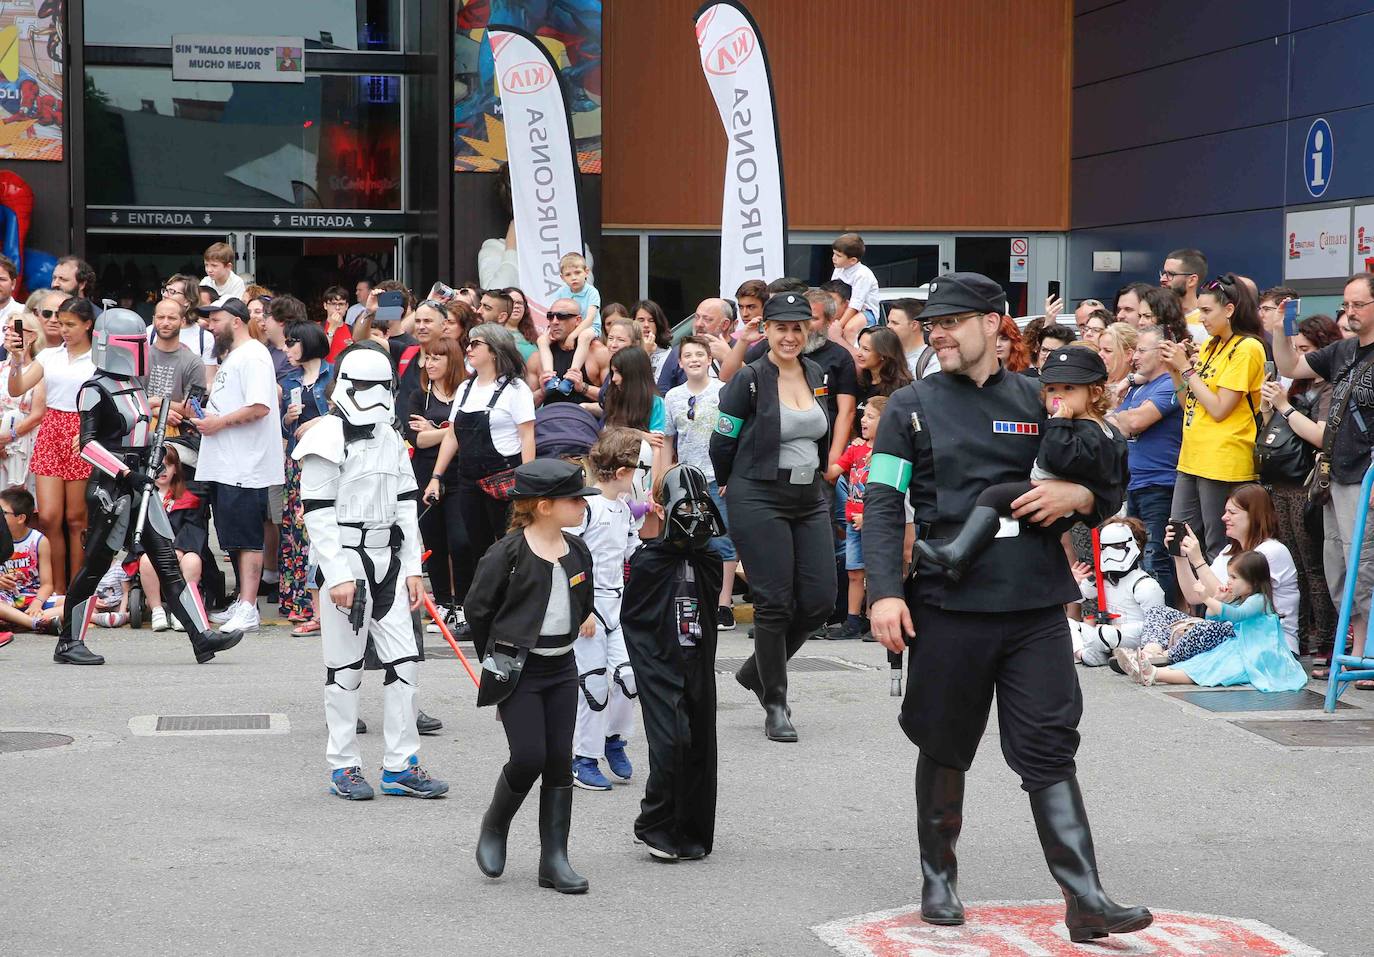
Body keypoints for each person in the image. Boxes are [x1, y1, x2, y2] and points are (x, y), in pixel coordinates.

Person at [864, 272, 1150, 943]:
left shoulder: (1043, 398)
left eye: (952, 320)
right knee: (943, 741)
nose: (938, 332)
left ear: (994, 322)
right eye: (931, 324)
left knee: (1050, 746)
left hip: (1032, 602)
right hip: (948, 602)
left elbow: (1107, 477)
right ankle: (938, 875)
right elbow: (882, 504)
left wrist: (1079, 501)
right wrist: (882, 590)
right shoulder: (909, 405)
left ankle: (1085, 898)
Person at [294, 343, 447, 801]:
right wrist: (338, 574)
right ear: (345, 385)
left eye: (382, 386)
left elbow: (405, 503)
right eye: (365, 385)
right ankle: (343, 764)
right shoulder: (324, 436)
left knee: (405, 665)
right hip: (347, 559)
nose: (374, 394)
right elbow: (317, 514)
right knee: (345, 669)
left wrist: (414, 566)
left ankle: (401, 765)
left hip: (391, 560)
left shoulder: (388, 435)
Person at [55, 309, 244, 666]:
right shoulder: (94, 390)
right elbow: (88, 445)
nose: (142, 349)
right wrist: (126, 473)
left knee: (166, 561)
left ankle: (201, 637)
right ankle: (68, 641)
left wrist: (146, 466)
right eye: (135, 344)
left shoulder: (134, 385)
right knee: (95, 564)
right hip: (112, 488)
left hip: (142, 481)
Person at [710, 292, 836, 743]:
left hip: (809, 495)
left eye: (798, 327)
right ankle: (776, 702)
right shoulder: (747, 379)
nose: (789, 335)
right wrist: (728, 481)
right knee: (775, 603)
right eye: (780, 327)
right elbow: (721, 439)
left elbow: (821, 432)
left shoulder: (817, 372)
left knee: (821, 599)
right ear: (766, 331)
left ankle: (755, 669)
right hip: (758, 494)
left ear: (808, 331)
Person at [467, 459, 597, 895]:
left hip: (562, 668)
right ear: (544, 506)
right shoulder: (506, 553)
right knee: (528, 756)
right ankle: (495, 824)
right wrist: (499, 656)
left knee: (560, 760)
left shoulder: (578, 550)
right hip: (518, 670)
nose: (582, 505)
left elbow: (584, 596)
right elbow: (478, 610)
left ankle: (554, 860)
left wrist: (585, 616)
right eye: (575, 499)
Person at [918, 347, 1127, 582]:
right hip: (1054, 510)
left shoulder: (1086, 429)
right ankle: (959, 564)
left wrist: (1059, 425)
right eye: (1051, 389)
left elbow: (1061, 459)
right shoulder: (1104, 429)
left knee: (993, 496)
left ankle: (958, 551)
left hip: (1048, 495)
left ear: (1095, 393)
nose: (1058, 395)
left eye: (1069, 388)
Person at [1268, 272, 1374, 677]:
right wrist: (1282, 329)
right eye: (1345, 305)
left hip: (1363, 476)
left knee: (1362, 563)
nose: (1349, 313)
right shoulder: (1344, 351)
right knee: (1338, 567)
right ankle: (1356, 651)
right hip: (1334, 476)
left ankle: (1363, 655)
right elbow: (1291, 363)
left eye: (1358, 305)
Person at [620, 464, 725, 862]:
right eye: (684, 508)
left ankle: (690, 826)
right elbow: (637, 618)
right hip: (659, 659)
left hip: (696, 657)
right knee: (672, 740)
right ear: (660, 508)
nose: (693, 517)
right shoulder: (649, 561)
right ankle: (656, 826)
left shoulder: (709, 559)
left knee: (698, 739)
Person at [192, 298, 286, 636]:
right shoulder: (233, 357)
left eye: (215, 319)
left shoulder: (254, 355)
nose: (210, 326)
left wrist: (219, 423)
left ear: (235, 321)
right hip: (226, 461)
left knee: (247, 538)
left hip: (246, 463)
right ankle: (243, 602)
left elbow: (260, 406)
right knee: (233, 535)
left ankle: (248, 606)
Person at [1160, 274, 1266, 562]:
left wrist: (1187, 369)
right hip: (1192, 456)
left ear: (1229, 310)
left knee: (1217, 545)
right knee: (1178, 540)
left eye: (1207, 311)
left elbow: (1220, 409)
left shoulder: (1248, 348)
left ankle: (1216, 606)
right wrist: (1175, 371)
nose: (1200, 318)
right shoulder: (1209, 346)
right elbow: (1189, 403)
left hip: (1223, 460)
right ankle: (1191, 606)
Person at [565, 429, 644, 791]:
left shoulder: (624, 509)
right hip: (590, 607)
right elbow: (568, 558)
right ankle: (583, 758)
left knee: (628, 678)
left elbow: (634, 553)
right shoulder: (590, 507)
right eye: (639, 467)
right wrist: (581, 609)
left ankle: (614, 739)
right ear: (625, 471)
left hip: (617, 604)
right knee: (594, 683)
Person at [1258, 313, 1339, 664]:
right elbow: (1276, 434)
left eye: (1306, 350)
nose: (1300, 358)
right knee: (1291, 565)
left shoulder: (1330, 388)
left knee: (1313, 564)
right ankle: (1298, 634)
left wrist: (1283, 406)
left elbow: (1319, 435)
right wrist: (1267, 408)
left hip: (1307, 485)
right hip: (1279, 483)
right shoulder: (1297, 386)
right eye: (1296, 350)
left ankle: (1326, 639)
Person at [1120, 550, 1307, 692]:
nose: (1229, 581)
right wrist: (1218, 599)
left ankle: (1154, 673)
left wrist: (1206, 598)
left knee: (1214, 669)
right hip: (1240, 646)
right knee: (1204, 664)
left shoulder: (1259, 600)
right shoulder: (1242, 597)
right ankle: (1151, 670)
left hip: (1256, 653)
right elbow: (1211, 618)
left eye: (1234, 577)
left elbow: (1237, 616)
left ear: (1253, 581)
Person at [425, 324, 537, 560]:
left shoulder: (516, 389)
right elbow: (452, 435)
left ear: (495, 350)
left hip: (505, 479)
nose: (469, 348)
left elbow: (527, 436)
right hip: (468, 481)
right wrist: (436, 477)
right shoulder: (465, 387)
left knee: (510, 546)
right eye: (468, 343)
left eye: (476, 344)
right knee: (474, 547)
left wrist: (527, 485)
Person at [8, 296, 97, 592]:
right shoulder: (49, 355)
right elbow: (17, 387)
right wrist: (18, 361)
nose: (65, 330)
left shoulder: (98, 359)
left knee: (76, 520)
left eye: (72, 325)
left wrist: (88, 431)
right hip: (52, 428)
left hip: (81, 430)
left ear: (88, 324)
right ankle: (57, 591)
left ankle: (78, 591)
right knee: (48, 518)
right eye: (62, 324)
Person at [1167, 484, 1299, 655]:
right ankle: (1151, 655)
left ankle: (1159, 662)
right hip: (1233, 636)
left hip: (1271, 645)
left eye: (1232, 513)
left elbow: (1229, 601)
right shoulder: (1227, 553)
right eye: (1225, 511)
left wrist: (1198, 560)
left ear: (1254, 516)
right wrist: (1180, 556)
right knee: (1160, 614)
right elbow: (1193, 596)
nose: (1224, 518)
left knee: (1197, 630)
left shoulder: (1272, 551)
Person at [663, 335, 738, 629]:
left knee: (722, 541)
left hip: (716, 477)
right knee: (689, 540)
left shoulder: (724, 391)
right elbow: (670, 439)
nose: (694, 359)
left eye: (699, 355)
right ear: (680, 363)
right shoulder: (672, 396)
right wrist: (665, 476)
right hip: (686, 478)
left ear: (710, 359)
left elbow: (734, 436)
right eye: (688, 355)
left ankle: (724, 604)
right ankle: (695, 599)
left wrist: (728, 474)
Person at [1108, 325, 1183, 600]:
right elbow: (1116, 423)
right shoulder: (1137, 387)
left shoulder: (1169, 385)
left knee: (1156, 559)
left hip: (1160, 484)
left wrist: (1122, 417)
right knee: (1137, 559)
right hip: (1134, 483)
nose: (1134, 356)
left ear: (1162, 352)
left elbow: (1134, 422)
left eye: (1141, 350)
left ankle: (1163, 629)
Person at [405, 337, 470, 632]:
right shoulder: (420, 395)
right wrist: (451, 431)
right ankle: (444, 602)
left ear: (451, 360)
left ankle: (465, 604)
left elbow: (470, 433)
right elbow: (418, 439)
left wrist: (438, 430)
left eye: (436, 358)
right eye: (427, 357)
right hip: (425, 474)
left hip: (459, 475)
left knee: (461, 541)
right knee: (434, 541)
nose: (429, 363)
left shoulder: (467, 392)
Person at [277, 322, 333, 634]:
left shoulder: (333, 373)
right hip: (299, 459)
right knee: (297, 534)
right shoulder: (290, 381)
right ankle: (302, 604)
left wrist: (319, 422)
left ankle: (322, 607)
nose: (286, 349)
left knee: (319, 529)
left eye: (291, 343)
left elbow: (345, 414)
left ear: (306, 343)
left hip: (327, 458)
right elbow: (288, 429)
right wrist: (288, 419)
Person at [1068, 518, 1166, 666]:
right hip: (1106, 636)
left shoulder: (1145, 585)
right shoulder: (1102, 579)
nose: (1110, 552)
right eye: (1105, 547)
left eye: (1117, 545)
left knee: (1105, 634)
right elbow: (1073, 597)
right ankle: (1085, 654)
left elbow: (1157, 627)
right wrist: (1072, 583)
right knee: (1065, 624)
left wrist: (1116, 629)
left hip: (1136, 637)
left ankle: (1127, 655)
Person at [825, 397, 885, 639]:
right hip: (852, 521)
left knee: (874, 571)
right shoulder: (856, 448)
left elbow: (889, 493)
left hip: (876, 521)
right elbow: (834, 470)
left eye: (871, 417)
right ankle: (852, 620)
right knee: (854, 571)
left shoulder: (889, 452)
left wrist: (868, 517)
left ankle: (873, 619)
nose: (864, 420)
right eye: (864, 415)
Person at [136, 441, 206, 633]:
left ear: (176, 468)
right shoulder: (143, 498)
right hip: (152, 550)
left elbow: (193, 527)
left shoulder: (188, 497)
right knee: (147, 560)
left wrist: (180, 549)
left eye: (168, 464)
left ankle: (182, 609)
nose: (163, 470)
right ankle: (156, 609)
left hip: (181, 550)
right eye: (157, 465)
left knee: (193, 561)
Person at [537, 253, 602, 387]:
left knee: (584, 336)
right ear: (562, 277)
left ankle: (572, 375)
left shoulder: (592, 292)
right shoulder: (561, 292)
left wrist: (573, 335)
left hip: (590, 328)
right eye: (568, 274)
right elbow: (555, 314)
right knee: (542, 340)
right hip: (568, 331)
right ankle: (550, 376)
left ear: (586, 272)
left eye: (577, 272)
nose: (574, 277)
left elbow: (590, 318)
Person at [143, 295, 205, 435]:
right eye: (160, 317)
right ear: (153, 320)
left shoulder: (194, 362)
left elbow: (192, 410)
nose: (165, 323)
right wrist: (157, 410)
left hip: (178, 437)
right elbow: (128, 401)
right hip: (139, 431)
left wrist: (157, 401)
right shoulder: (140, 357)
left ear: (182, 322)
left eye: (171, 318)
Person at [0, 486, 57, 633]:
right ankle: (36, 623)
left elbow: (47, 584)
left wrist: (37, 603)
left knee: (74, 603)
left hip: (32, 598)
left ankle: (18, 621)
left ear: (20, 518)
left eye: (3, 513)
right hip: (4, 599)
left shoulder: (39, 541)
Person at [528, 299, 608, 405]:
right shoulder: (537, 358)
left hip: (584, 419)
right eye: (550, 316)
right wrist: (542, 392)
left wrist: (583, 387)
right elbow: (525, 407)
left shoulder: (598, 352)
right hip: (549, 419)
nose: (555, 321)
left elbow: (614, 400)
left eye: (562, 316)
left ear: (578, 320)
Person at [0, 303, 44, 491]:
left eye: (15, 328)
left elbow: (38, 414)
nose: (9, 333)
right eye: (6, 328)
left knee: (21, 501)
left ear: (32, 336)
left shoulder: (39, 368)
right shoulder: (1, 366)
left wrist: (8, 437)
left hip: (25, 442)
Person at [832, 231, 881, 337]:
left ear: (853, 260)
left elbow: (855, 305)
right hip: (845, 308)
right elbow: (832, 293)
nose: (834, 258)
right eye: (834, 253)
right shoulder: (838, 269)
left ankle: (851, 353)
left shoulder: (862, 274)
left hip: (866, 312)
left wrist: (839, 325)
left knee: (849, 329)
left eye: (838, 256)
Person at [885, 298, 939, 380]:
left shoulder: (932, 360)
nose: (888, 327)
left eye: (895, 323)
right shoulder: (886, 356)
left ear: (914, 325)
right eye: (888, 322)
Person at [1160, 248, 1208, 341]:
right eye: (1163, 273)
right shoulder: (1154, 315)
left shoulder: (1206, 323)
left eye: (1170, 274)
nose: (1162, 279)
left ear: (1192, 280)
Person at [857, 326, 914, 401]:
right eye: (859, 346)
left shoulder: (901, 389)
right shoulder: (860, 382)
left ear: (883, 354)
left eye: (866, 349)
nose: (858, 353)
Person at [633, 298, 673, 385]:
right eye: (641, 320)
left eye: (651, 320)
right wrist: (645, 352)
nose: (646, 325)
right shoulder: (626, 350)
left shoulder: (669, 355)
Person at [1097, 322, 1137, 403]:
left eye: (1107, 351)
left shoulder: (1138, 390)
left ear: (1128, 355)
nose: (1100, 354)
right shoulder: (1093, 382)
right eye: (1099, 349)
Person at [321, 286, 354, 362]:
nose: (337, 308)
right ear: (325, 306)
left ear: (347, 306)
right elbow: (319, 354)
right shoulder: (317, 328)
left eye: (341, 304)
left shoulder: (352, 330)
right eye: (333, 304)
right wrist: (332, 328)